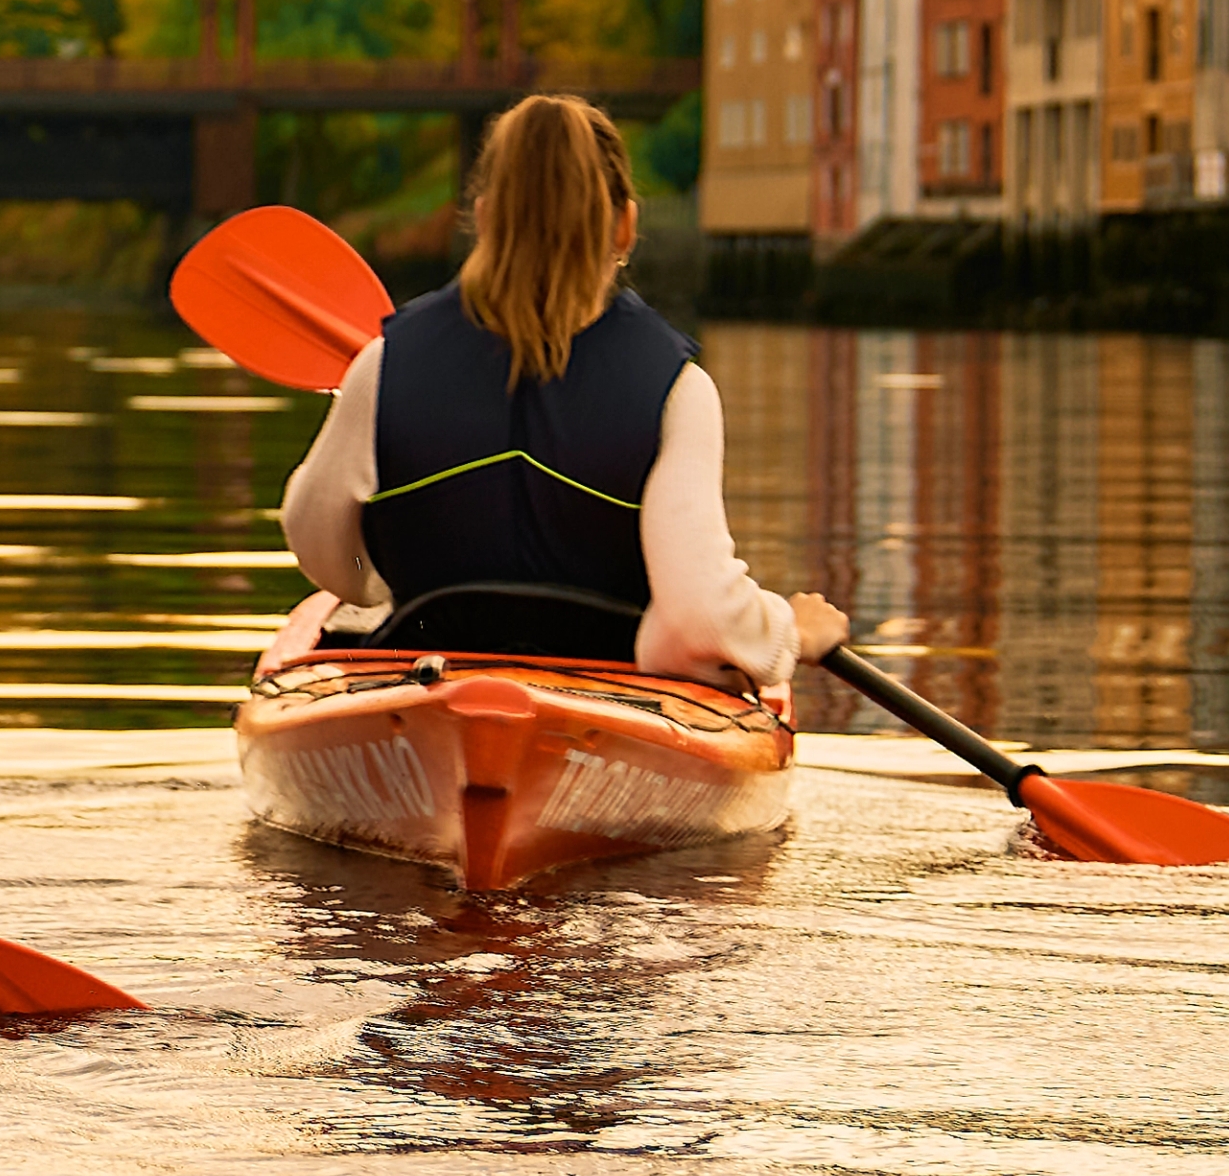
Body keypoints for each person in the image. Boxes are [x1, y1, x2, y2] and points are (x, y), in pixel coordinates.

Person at [274, 93, 843, 713]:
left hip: (422, 673)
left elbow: (317, 543)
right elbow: (699, 615)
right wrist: (788, 631)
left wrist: (376, 586)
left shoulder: (383, 367)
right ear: (624, 224)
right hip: (611, 694)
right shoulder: (677, 388)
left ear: (486, 217)